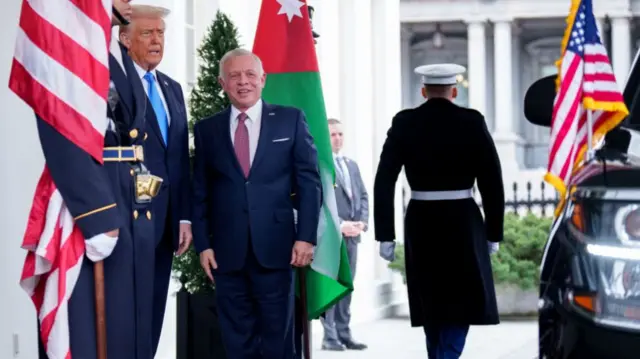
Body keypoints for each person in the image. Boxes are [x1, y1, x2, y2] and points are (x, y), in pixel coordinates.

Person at [36, 1, 160, 357]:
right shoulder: (69, 47)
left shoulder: (113, 49)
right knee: (94, 327)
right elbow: (61, 132)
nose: (127, 2)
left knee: (130, 321)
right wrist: (97, 215)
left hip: (131, 199)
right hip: (99, 199)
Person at [192, 48, 322, 359]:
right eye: (234, 76)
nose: (243, 82)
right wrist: (203, 244)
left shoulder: (290, 120)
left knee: (279, 339)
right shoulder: (207, 129)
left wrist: (306, 237)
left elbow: (309, 182)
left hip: (278, 249)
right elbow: (199, 190)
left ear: (262, 79)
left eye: (250, 74)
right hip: (226, 253)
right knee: (237, 340)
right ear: (222, 83)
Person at [374, 63, 505, 359]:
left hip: (422, 219)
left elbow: (385, 179)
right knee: (460, 299)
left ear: (424, 91)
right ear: (454, 90)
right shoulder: (471, 121)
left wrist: (386, 234)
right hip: (462, 219)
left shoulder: (405, 122)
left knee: (430, 298)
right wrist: (493, 232)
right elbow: (491, 180)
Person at [119, 5, 193, 353]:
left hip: (165, 223)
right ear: (125, 38)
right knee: (125, 313)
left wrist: (183, 216)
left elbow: (178, 158)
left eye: (160, 33)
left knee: (152, 311)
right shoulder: (113, 85)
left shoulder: (172, 88)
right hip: (127, 219)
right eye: (147, 33)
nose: (156, 40)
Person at [320, 118, 368, 351]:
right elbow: (320, 203)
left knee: (347, 287)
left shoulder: (351, 165)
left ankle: (344, 333)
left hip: (353, 238)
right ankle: (330, 337)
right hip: (331, 239)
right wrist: (340, 225)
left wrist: (362, 223)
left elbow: (363, 196)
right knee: (332, 287)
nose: (338, 138)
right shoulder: (321, 166)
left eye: (340, 134)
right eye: (332, 135)